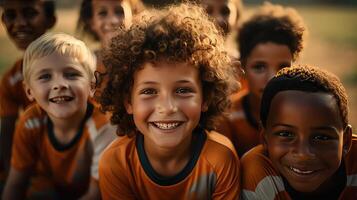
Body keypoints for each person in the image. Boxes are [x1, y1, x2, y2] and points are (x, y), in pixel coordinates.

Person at [97, 3, 240, 200]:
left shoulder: (221, 158)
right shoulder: (115, 162)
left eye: (183, 90)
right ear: (128, 102)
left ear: (205, 98)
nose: (167, 107)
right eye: (149, 91)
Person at [2, 33, 117, 200]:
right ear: (29, 91)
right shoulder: (30, 122)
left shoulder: (104, 126)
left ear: (92, 85)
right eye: (45, 76)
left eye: (72, 74)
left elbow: (96, 195)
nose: (59, 85)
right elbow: (16, 184)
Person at [241, 65, 355, 199]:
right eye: (286, 134)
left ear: (346, 141)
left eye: (321, 137)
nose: (303, 154)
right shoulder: (259, 173)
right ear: (265, 138)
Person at [216, 2, 306, 157]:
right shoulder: (227, 117)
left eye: (283, 68)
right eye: (259, 67)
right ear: (243, 67)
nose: (272, 78)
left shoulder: (306, 113)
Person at [0, 0, 56, 193]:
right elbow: (6, 131)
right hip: (34, 170)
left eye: (30, 13)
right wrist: (11, 179)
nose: (20, 23)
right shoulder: (11, 79)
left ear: (51, 19)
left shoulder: (70, 65)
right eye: (10, 15)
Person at [77, 0, 144, 75]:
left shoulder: (144, 60)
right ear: (91, 22)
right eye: (103, 13)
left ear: (134, 15)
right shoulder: (84, 63)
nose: (113, 21)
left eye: (119, 12)